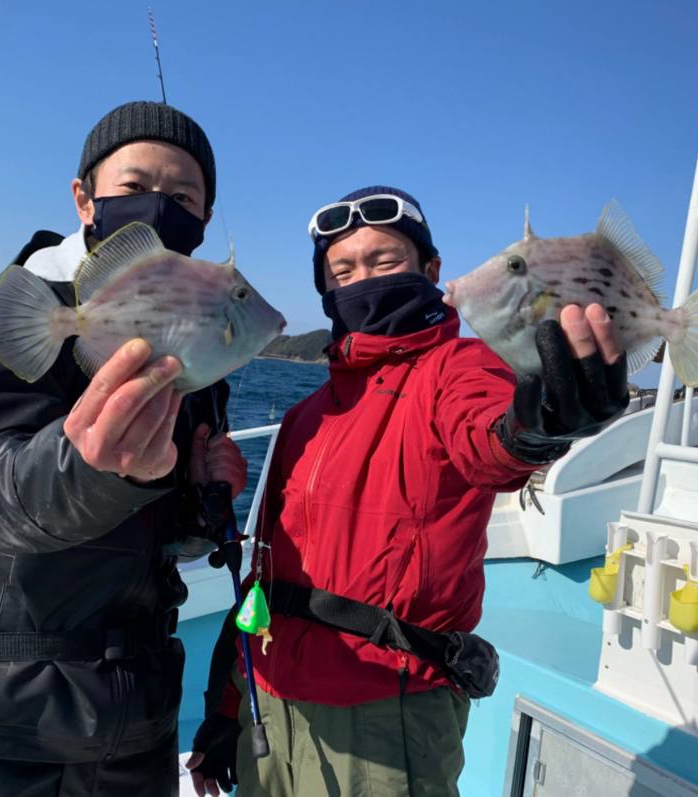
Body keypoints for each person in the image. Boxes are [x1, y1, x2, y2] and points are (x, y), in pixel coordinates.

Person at [187, 186, 629, 797]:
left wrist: (539, 427)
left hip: (384, 718)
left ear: (431, 270)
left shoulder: (458, 368)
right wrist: (223, 707)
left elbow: (489, 440)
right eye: (342, 270)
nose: (361, 280)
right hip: (270, 710)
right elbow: (264, 578)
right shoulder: (303, 415)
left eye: (385, 261)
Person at [0, 101, 248, 797]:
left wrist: (199, 500)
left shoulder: (194, 351)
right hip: (0, 719)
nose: (157, 207)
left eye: (183, 197)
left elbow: (156, 537)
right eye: (134, 186)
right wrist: (85, 469)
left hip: (138, 718)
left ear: (202, 220)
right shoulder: (6, 311)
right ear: (84, 197)